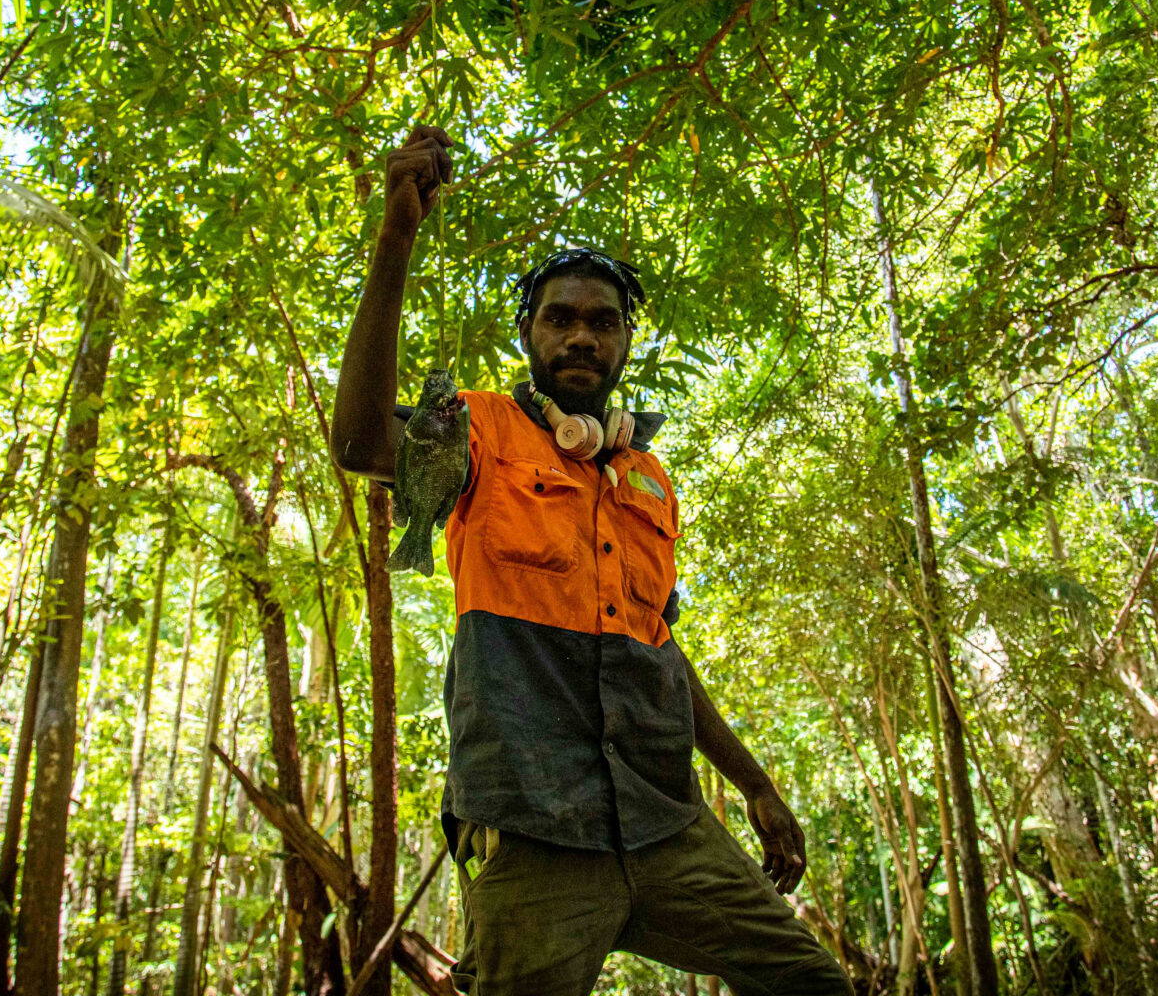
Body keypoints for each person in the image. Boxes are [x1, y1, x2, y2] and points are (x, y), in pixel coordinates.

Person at [332, 127, 852, 996]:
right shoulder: (482, 430)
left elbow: (659, 650)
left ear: (623, 343)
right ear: (530, 334)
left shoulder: (646, 476)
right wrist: (396, 238)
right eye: (560, 318)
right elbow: (356, 441)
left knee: (815, 984)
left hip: (666, 825)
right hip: (532, 833)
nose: (581, 336)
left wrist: (755, 784)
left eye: (601, 322)